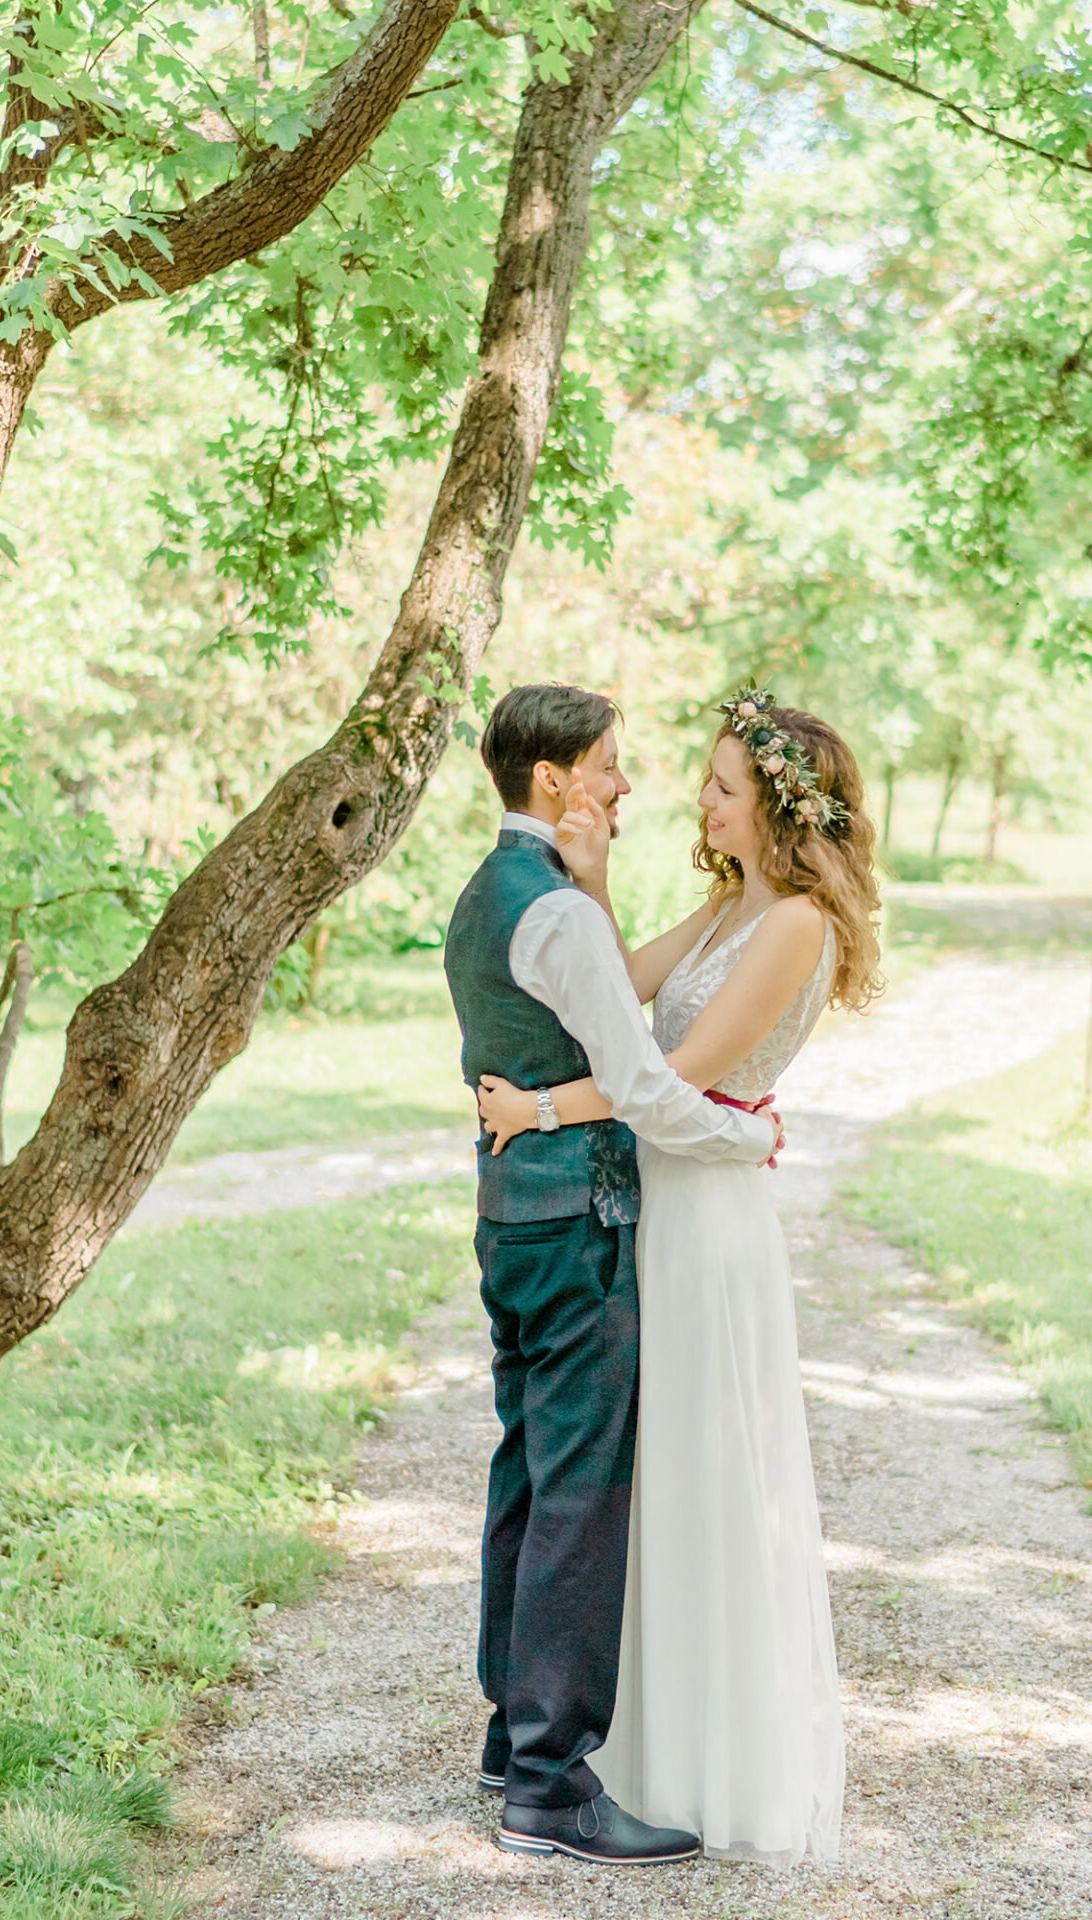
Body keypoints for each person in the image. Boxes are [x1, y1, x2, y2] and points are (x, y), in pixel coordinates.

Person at [476, 686, 881, 1865]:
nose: (699, 799)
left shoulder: (794, 923)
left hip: (705, 1216)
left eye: (722, 785)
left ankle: (700, 1751)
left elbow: (675, 1075)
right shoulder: (725, 905)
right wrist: (596, 877)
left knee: (699, 1464)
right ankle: (600, 1739)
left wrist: (539, 1108)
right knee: (632, 1473)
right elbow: (621, 992)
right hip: (653, 1196)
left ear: (780, 811)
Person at [442, 683, 781, 1866]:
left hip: (508, 1219)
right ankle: (551, 1786)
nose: (625, 783)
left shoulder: (486, 892)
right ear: (554, 780)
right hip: (578, 1227)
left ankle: (510, 1733)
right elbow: (638, 1084)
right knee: (580, 1495)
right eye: (607, 765)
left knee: (528, 1473)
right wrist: (745, 1135)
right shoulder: (562, 917)